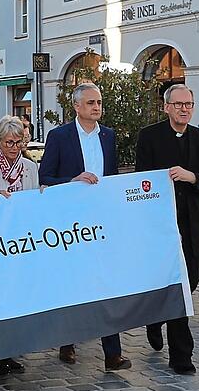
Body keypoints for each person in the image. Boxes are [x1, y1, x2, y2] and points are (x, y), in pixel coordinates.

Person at [38, 83, 132, 372]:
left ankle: (112, 353)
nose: (96, 107)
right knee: (73, 284)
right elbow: (45, 177)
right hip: (71, 223)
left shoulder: (108, 136)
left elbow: (112, 176)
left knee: (106, 284)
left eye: (99, 102)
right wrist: (72, 181)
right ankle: (67, 341)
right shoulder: (59, 136)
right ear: (76, 106)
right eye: (90, 102)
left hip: (102, 221)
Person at [135, 84, 199, 375]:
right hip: (161, 224)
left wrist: (191, 177)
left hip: (193, 222)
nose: (184, 109)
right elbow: (142, 180)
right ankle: (182, 356)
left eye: (189, 104)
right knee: (175, 284)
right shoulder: (149, 136)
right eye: (179, 104)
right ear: (166, 107)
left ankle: (156, 318)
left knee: (191, 281)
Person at [0, 115, 39, 377]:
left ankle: (11, 350)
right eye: (9, 142)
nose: (14, 147)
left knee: (16, 297)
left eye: (18, 142)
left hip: (20, 240)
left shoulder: (30, 168)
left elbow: (34, 202)